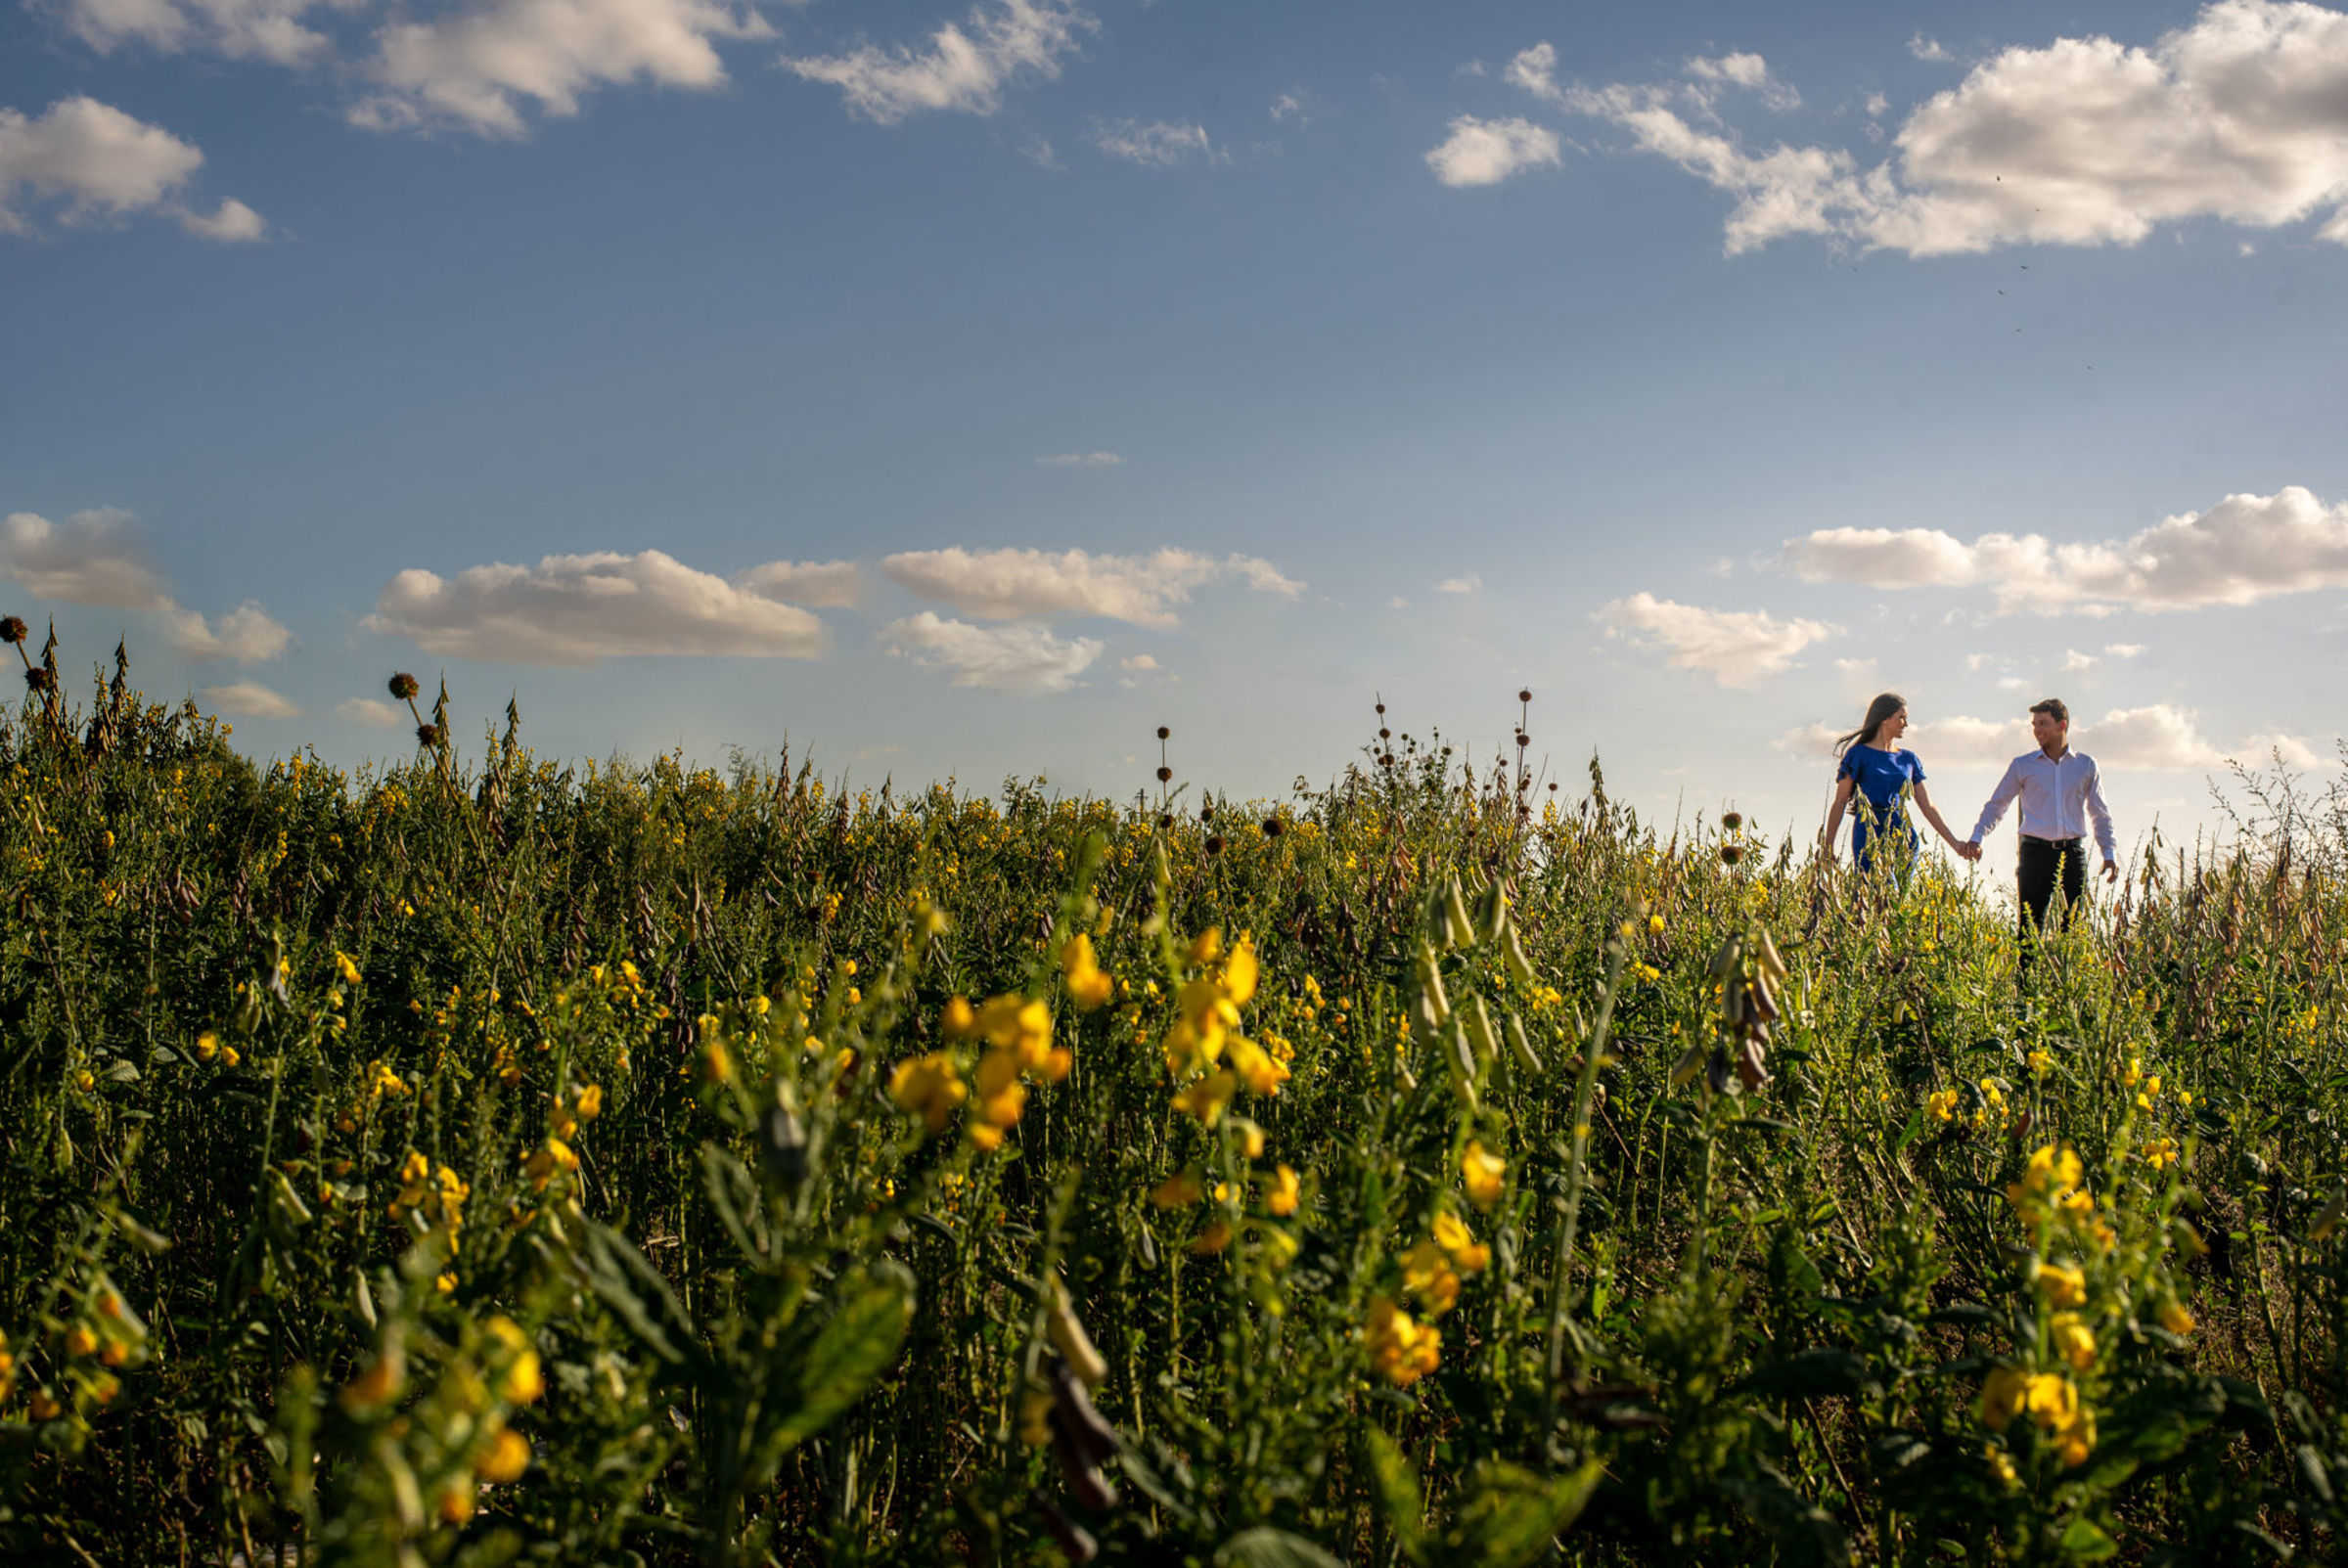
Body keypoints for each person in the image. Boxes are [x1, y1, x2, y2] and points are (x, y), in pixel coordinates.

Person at [1963, 697, 2117, 958]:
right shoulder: (2023, 765)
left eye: (2043, 724)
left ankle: (2069, 994)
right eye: (2034, 725)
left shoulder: (2086, 765)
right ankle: (2025, 996)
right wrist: (1977, 837)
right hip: (2034, 854)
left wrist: (2109, 853)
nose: (2037, 730)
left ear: (2062, 725)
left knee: (2075, 929)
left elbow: (2100, 813)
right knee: (2029, 931)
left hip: (2073, 854)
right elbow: (1997, 805)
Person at [1820, 692, 1971, 881]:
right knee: (1876, 893)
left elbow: (1928, 806)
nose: (1905, 724)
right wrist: (1828, 846)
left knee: (1898, 900)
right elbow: (1840, 801)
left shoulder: (1909, 759)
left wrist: (1955, 844)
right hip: (1868, 832)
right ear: (1885, 719)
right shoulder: (1858, 755)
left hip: (1902, 834)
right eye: (1901, 718)